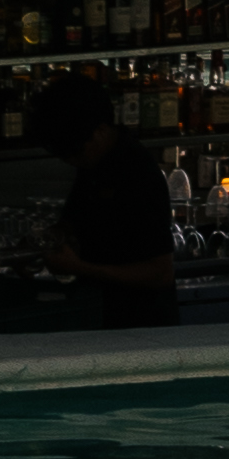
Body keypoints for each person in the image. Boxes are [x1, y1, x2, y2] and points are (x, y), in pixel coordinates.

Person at [48, 96, 181, 323]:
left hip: (142, 325)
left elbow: (160, 274)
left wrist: (80, 268)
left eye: (77, 152)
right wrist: (42, 244)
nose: (72, 161)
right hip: (102, 314)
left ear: (100, 131)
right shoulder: (94, 163)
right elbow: (73, 220)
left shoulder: (138, 174)